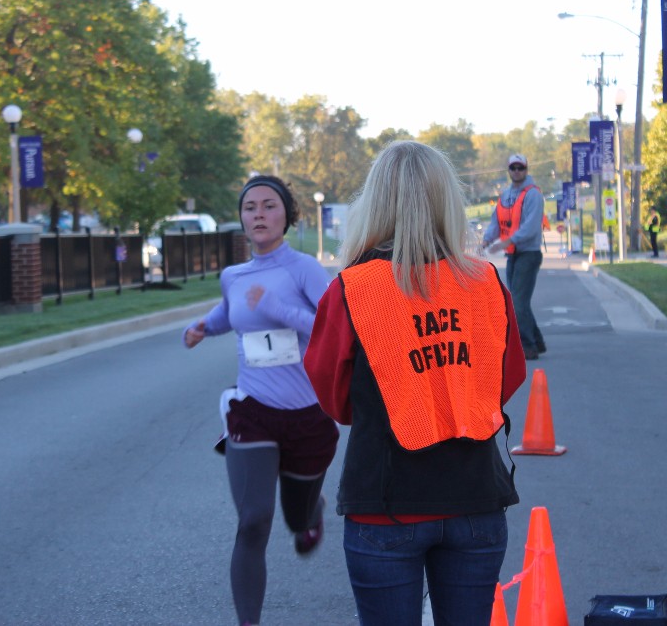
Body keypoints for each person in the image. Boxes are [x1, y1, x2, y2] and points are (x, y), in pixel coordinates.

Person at [304, 141, 527, 626]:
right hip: (476, 498)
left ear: (375, 202)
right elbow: (505, 379)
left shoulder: (351, 289)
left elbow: (333, 397)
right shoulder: (486, 282)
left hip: (385, 504)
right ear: (447, 200)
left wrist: (401, 400)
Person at [182, 175, 338, 626]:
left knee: (295, 520)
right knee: (253, 520)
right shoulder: (233, 275)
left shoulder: (304, 269)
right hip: (252, 412)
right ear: (242, 219)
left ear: (287, 215)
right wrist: (199, 328)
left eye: (269, 206)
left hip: (308, 414)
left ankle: (311, 510)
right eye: (250, 208)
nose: (259, 215)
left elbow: (333, 330)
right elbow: (229, 312)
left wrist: (279, 308)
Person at [482, 152, 546, 360]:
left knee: (518, 302)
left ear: (526, 169)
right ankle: (537, 341)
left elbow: (531, 227)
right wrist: (485, 241)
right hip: (512, 255)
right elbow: (495, 223)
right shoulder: (505, 196)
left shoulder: (533, 194)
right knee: (519, 301)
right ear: (509, 171)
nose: (517, 171)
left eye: (521, 168)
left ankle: (528, 346)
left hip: (529, 253)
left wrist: (507, 242)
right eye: (513, 168)